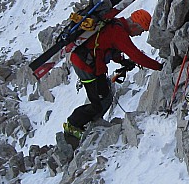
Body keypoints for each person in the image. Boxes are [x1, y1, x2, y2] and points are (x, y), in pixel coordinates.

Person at [63, 9, 162, 138]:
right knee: (98, 103)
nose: (139, 34)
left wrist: (123, 61)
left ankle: (89, 123)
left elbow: (108, 46)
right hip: (85, 66)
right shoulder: (118, 32)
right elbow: (136, 55)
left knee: (106, 98)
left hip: (91, 64)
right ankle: (73, 125)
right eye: (141, 30)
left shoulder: (117, 24)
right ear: (135, 25)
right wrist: (159, 66)